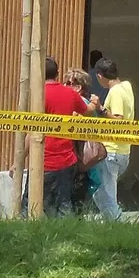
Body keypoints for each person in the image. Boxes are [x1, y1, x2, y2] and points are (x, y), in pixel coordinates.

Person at [40, 56, 91, 216]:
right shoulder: (70, 95)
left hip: (44, 159)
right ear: (57, 73)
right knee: (64, 204)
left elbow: (31, 131)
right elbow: (87, 111)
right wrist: (96, 106)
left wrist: (18, 160)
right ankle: (67, 235)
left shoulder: (38, 95)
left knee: (34, 204)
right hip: (68, 160)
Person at [90, 58, 134, 221]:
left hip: (112, 151)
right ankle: (113, 223)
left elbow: (118, 120)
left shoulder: (115, 92)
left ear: (100, 76)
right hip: (122, 150)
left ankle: (117, 225)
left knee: (105, 196)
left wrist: (100, 108)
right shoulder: (126, 87)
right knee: (104, 194)